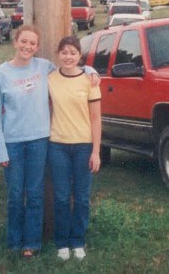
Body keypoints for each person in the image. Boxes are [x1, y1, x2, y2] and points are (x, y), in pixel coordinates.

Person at [0, 25, 98, 258]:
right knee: (16, 194)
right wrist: (0, 151)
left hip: (40, 141)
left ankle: (32, 243)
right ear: (15, 42)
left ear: (37, 48)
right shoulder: (0, 74)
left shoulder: (43, 68)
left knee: (36, 194)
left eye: (32, 43)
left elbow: (72, 67)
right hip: (13, 144)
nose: (27, 46)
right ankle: (14, 240)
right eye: (23, 41)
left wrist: (89, 69)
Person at [47, 35, 101, 261]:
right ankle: (62, 243)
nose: (68, 57)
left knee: (80, 197)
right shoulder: (49, 79)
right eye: (64, 52)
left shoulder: (90, 80)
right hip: (57, 145)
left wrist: (96, 151)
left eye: (73, 53)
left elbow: (96, 118)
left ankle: (78, 240)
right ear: (58, 55)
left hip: (83, 146)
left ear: (80, 56)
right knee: (60, 197)